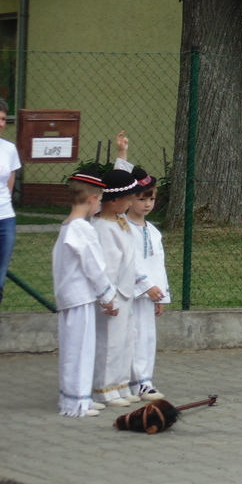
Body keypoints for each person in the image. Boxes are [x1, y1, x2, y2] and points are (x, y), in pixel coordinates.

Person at [53, 168, 117, 417]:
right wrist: (108, 296)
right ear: (92, 199)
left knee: (75, 348)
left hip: (71, 296)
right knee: (80, 350)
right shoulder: (81, 229)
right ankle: (77, 403)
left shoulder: (67, 226)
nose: (99, 205)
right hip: (79, 297)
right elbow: (94, 266)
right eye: (99, 200)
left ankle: (78, 399)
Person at [114, 132, 170, 400]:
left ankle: (144, 381)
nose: (147, 204)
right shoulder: (120, 225)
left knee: (147, 338)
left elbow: (158, 264)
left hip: (150, 296)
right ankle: (130, 382)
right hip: (131, 292)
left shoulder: (153, 231)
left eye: (151, 198)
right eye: (141, 198)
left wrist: (161, 295)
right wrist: (122, 154)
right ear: (129, 199)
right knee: (131, 337)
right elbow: (116, 184)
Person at [91, 168, 149, 407]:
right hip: (113, 294)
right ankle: (104, 389)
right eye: (128, 199)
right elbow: (106, 268)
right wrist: (109, 298)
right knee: (109, 342)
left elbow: (129, 258)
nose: (131, 203)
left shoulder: (120, 220)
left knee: (125, 340)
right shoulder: (101, 227)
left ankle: (122, 385)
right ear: (113, 200)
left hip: (126, 291)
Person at [0, 99, 21, 306]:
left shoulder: (9, 149)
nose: (1, 123)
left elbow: (10, 184)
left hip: (5, 218)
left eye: (4, 119)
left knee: (0, 276)